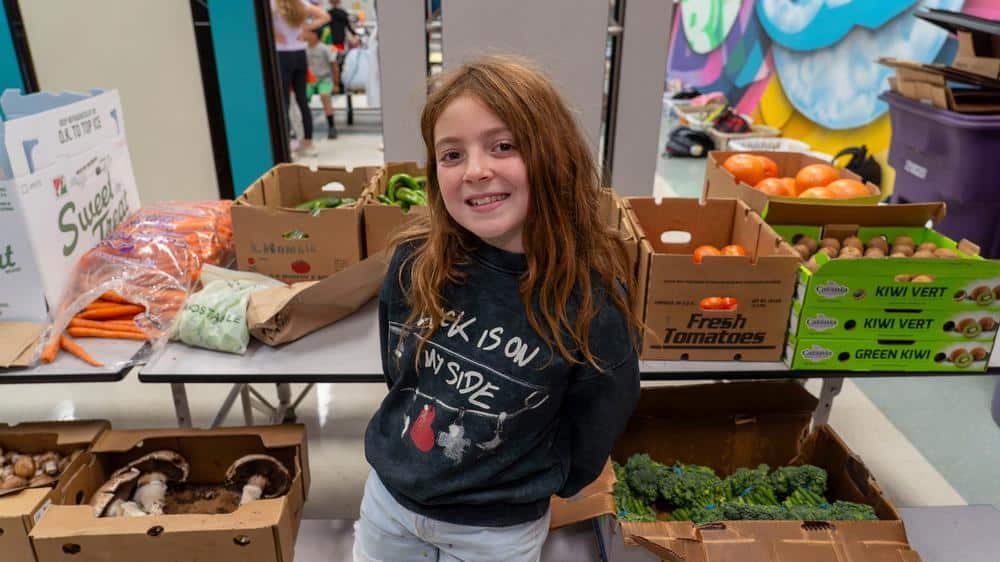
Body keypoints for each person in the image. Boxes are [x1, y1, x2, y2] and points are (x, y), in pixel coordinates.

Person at [353, 56, 642, 562]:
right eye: (451, 155)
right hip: (389, 507)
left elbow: (603, 408)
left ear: (553, 155)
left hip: (498, 532)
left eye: (503, 146)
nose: (476, 171)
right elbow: (399, 371)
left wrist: (540, 480)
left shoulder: (588, 296)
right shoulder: (414, 261)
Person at [271, 0, 329, 156]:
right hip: (299, 54)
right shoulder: (301, 3)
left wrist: (276, 34)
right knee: (302, 100)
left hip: (282, 54)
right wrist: (304, 30)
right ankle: (308, 142)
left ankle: (289, 143)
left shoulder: (274, 4)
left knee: (284, 102)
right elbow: (325, 16)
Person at [303, 29, 338, 139]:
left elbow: (334, 66)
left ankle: (332, 127)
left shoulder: (324, 48)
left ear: (315, 35)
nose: (305, 34)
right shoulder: (303, 48)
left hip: (325, 79)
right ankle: (302, 127)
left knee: (324, 96)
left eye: (308, 32)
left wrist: (336, 83)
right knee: (301, 99)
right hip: (310, 81)